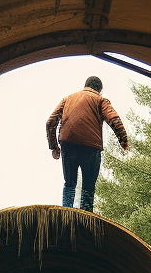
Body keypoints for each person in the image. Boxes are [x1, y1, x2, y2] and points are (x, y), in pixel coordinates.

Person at [46, 75, 129, 212]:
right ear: (100, 90)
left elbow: (50, 122)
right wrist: (123, 140)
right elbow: (114, 119)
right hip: (90, 147)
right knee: (88, 186)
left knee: (69, 183)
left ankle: (66, 212)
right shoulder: (100, 100)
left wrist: (54, 146)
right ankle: (86, 215)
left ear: (85, 86)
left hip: (68, 143)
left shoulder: (67, 99)